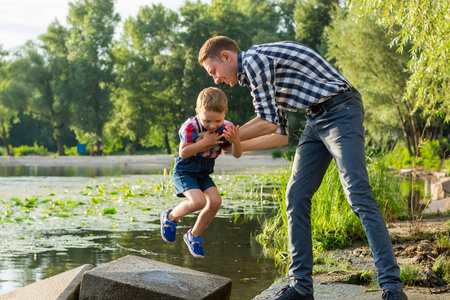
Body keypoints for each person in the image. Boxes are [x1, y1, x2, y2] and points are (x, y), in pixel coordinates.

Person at [199, 36, 406, 300]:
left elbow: (266, 122)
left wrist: (226, 136)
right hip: (315, 118)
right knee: (295, 196)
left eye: (213, 71)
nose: (215, 79)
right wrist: (230, 146)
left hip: (340, 109)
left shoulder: (253, 61)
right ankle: (300, 287)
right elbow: (280, 136)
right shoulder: (254, 75)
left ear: (227, 56)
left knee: (357, 193)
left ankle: (392, 286)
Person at [160, 87, 242, 258]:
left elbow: (237, 154)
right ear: (198, 112)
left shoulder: (227, 128)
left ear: (225, 112)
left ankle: (193, 235)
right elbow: (183, 152)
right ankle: (170, 217)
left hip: (204, 173)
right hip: (185, 171)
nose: (212, 126)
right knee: (197, 202)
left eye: (218, 121)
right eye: (207, 121)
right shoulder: (190, 126)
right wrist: (205, 143)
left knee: (215, 202)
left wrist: (235, 141)